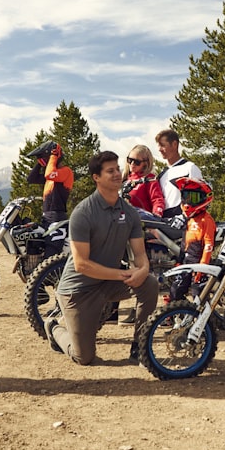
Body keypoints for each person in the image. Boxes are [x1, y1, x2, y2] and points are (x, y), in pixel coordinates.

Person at [44, 151, 160, 364]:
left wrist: (142, 270)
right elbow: (81, 265)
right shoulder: (83, 213)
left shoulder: (130, 212)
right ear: (96, 177)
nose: (117, 174)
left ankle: (140, 347)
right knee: (84, 357)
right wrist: (122, 273)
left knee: (149, 283)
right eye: (110, 171)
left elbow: (140, 254)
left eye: (117, 169)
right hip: (77, 291)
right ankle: (54, 328)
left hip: (108, 283)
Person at [168, 176, 217, 304]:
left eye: (193, 198)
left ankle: (208, 321)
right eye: (186, 196)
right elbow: (184, 243)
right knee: (175, 289)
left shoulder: (206, 220)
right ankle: (176, 314)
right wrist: (179, 260)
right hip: (186, 260)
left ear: (204, 199)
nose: (188, 202)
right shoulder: (188, 219)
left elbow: (208, 245)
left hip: (199, 262)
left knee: (199, 295)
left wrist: (203, 267)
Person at [155, 128, 203, 218]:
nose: (159, 149)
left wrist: (184, 217)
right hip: (164, 224)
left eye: (162, 145)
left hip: (186, 226)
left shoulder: (190, 167)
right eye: (158, 146)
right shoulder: (161, 176)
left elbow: (199, 198)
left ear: (174, 144)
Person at [26, 140, 74, 223]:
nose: (43, 164)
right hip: (47, 215)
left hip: (57, 216)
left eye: (44, 161)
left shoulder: (66, 171)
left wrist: (53, 156)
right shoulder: (49, 178)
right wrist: (40, 163)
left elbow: (49, 174)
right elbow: (31, 179)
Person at [121, 144, 165, 216]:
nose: (132, 164)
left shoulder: (149, 179)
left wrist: (157, 215)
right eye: (130, 160)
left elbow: (157, 200)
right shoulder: (123, 179)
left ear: (145, 163)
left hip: (141, 221)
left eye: (137, 162)